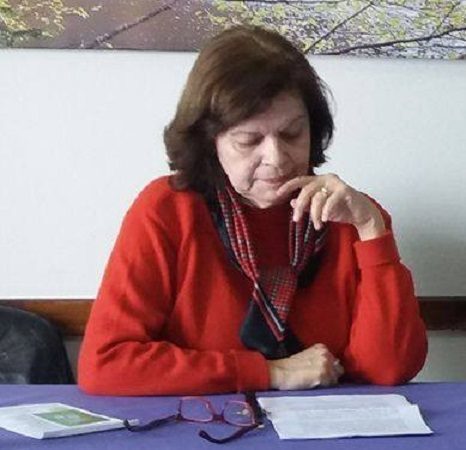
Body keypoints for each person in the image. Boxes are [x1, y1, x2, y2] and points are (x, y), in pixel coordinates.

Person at [78, 25, 427, 396]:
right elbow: (106, 363)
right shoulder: (167, 209)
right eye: (249, 140)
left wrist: (371, 228)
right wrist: (269, 372)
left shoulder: (349, 216)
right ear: (210, 140)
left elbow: (387, 369)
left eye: (292, 134)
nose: (276, 158)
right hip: (208, 423)